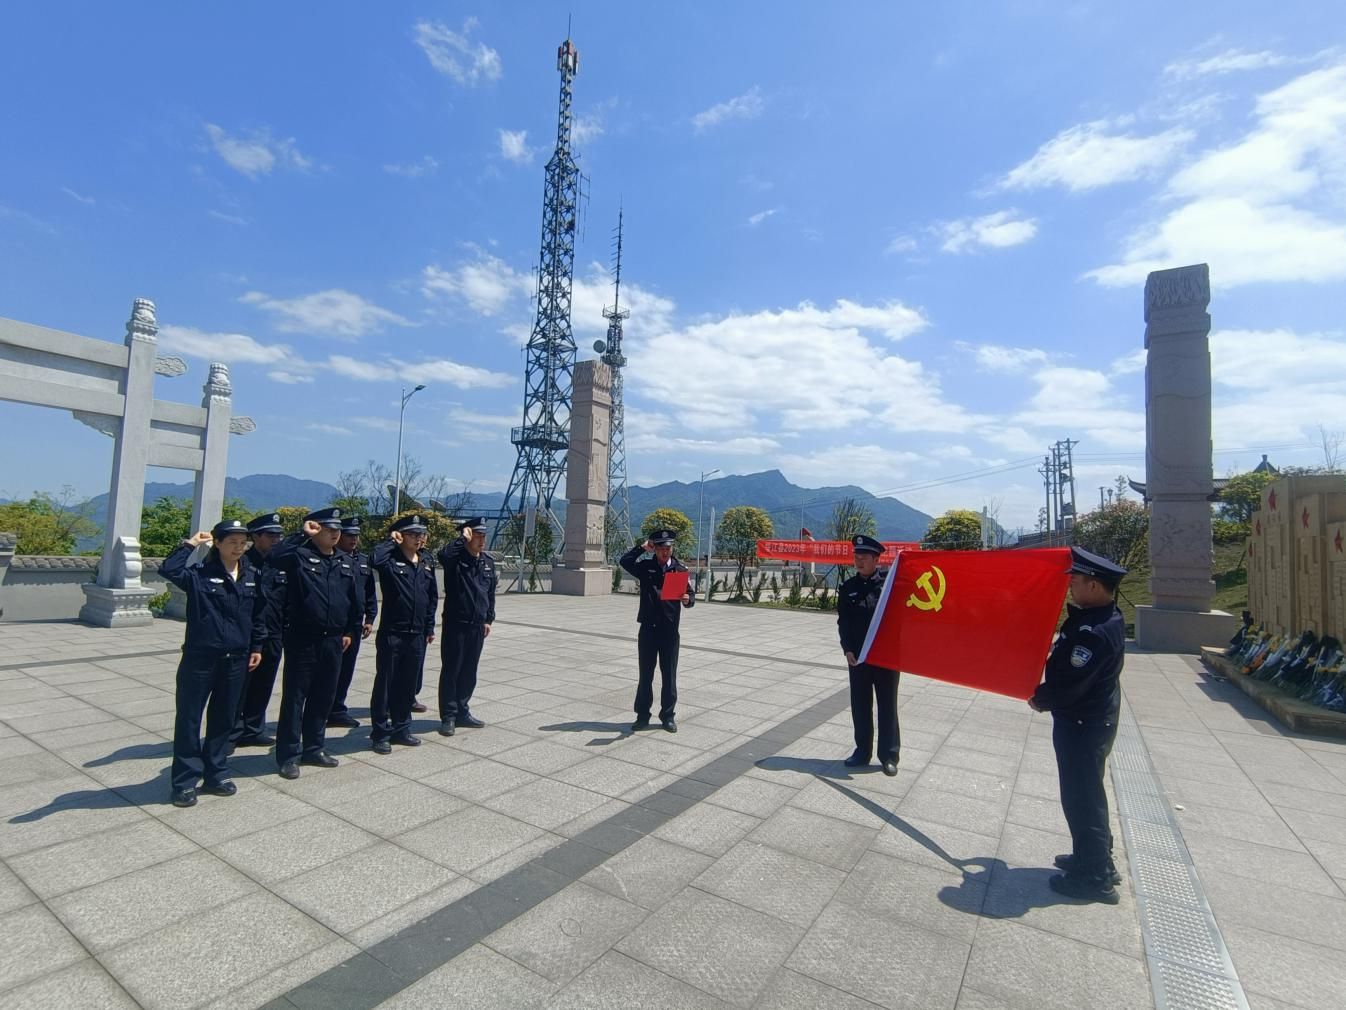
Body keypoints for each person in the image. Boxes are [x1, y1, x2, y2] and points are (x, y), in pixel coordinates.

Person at [1029, 546, 1128, 904]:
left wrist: (1041, 697)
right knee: (1087, 794)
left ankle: (1096, 878)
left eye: (1077, 581)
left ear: (1095, 586)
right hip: (1091, 718)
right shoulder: (1104, 618)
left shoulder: (1093, 632)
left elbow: (1072, 681)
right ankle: (1094, 857)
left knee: (1082, 797)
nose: (1071, 587)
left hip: (1083, 722)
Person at [160, 519, 264, 807]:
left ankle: (216, 773)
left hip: (236, 661)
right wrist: (190, 544)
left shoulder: (251, 575)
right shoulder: (199, 574)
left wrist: (256, 646)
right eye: (232, 542)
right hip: (200, 660)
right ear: (217, 543)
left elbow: (258, 616)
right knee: (189, 720)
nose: (239, 547)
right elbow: (168, 570)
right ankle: (184, 782)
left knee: (223, 721)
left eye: (243, 542)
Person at [259, 507, 363, 779]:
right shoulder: (299, 556)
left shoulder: (344, 560)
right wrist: (300, 535)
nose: (335, 533)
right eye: (329, 529)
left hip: (334, 640)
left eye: (337, 529)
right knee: (295, 699)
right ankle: (289, 755)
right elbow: (272, 557)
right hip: (303, 640)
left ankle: (314, 747)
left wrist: (351, 630)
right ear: (316, 529)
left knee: (323, 696)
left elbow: (354, 599)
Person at [369, 514, 438, 754]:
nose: (419, 539)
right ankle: (380, 733)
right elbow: (374, 560)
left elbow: (431, 598)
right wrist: (391, 542)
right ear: (400, 536)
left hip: (417, 634)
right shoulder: (390, 560)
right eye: (413, 534)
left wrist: (429, 627)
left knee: (407, 686)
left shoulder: (425, 561)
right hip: (393, 633)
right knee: (385, 685)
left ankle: (401, 728)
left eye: (421, 534)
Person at [619, 529, 694, 733]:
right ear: (655, 548)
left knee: (669, 676)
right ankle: (642, 715)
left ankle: (668, 716)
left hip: (669, 631)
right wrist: (641, 548)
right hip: (648, 630)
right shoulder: (646, 567)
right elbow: (625, 562)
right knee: (646, 675)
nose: (665, 552)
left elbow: (690, 595)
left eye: (668, 548)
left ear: (672, 548)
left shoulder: (679, 569)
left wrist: (688, 600)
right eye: (661, 548)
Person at [837, 534, 899, 776]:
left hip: (887, 658)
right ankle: (862, 751)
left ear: (876, 559)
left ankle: (889, 756)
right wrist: (847, 649)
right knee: (860, 705)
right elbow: (844, 621)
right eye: (856, 557)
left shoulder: (890, 586)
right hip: (859, 658)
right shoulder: (848, 587)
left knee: (887, 706)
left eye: (864, 557)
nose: (859, 561)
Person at [436, 516, 497, 736]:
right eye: (477, 536)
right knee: (452, 670)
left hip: (477, 625)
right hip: (456, 623)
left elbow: (489, 593)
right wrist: (461, 539)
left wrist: (489, 619)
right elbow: (442, 555)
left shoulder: (487, 561)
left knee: (469, 671)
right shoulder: (456, 560)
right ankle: (448, 715)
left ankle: (463, 710)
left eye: (483, 536)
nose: (481, 540)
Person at [230, 511, 285, 749]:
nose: (276, 540)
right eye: (271, 535)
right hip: (246, 635)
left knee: (264, 684)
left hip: (273, 633)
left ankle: (253, 729)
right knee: (239, 687)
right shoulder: (242, 562)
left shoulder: (281, 562)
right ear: (256, 536)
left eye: (279, 536)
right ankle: (232, 732)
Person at [328, 516, 377, 729]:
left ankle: (337, 709)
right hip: (335, 625)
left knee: (346, 669)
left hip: (355, 625)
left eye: (356, 535)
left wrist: (370, 617)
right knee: (330, 670)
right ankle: (323, 709)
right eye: (349, 535)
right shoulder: (333, 559)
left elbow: (369, 591)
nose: (353, 539)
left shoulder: (362, 560)